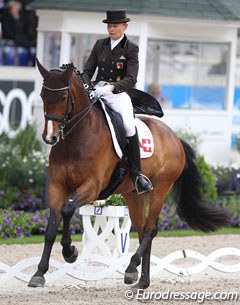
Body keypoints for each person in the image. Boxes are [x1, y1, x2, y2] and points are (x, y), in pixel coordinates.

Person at [82, 9, 153, 194]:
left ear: (124, 26)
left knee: (129, 126)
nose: (111, 29)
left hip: (118, 93)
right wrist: (89, 86)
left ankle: (137, 174)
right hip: (97, 90)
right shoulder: (99, 45)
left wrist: (111, 87)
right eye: (109, 26)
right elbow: (88, 70)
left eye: (115, 26)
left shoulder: (131, 48)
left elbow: (131, 78)